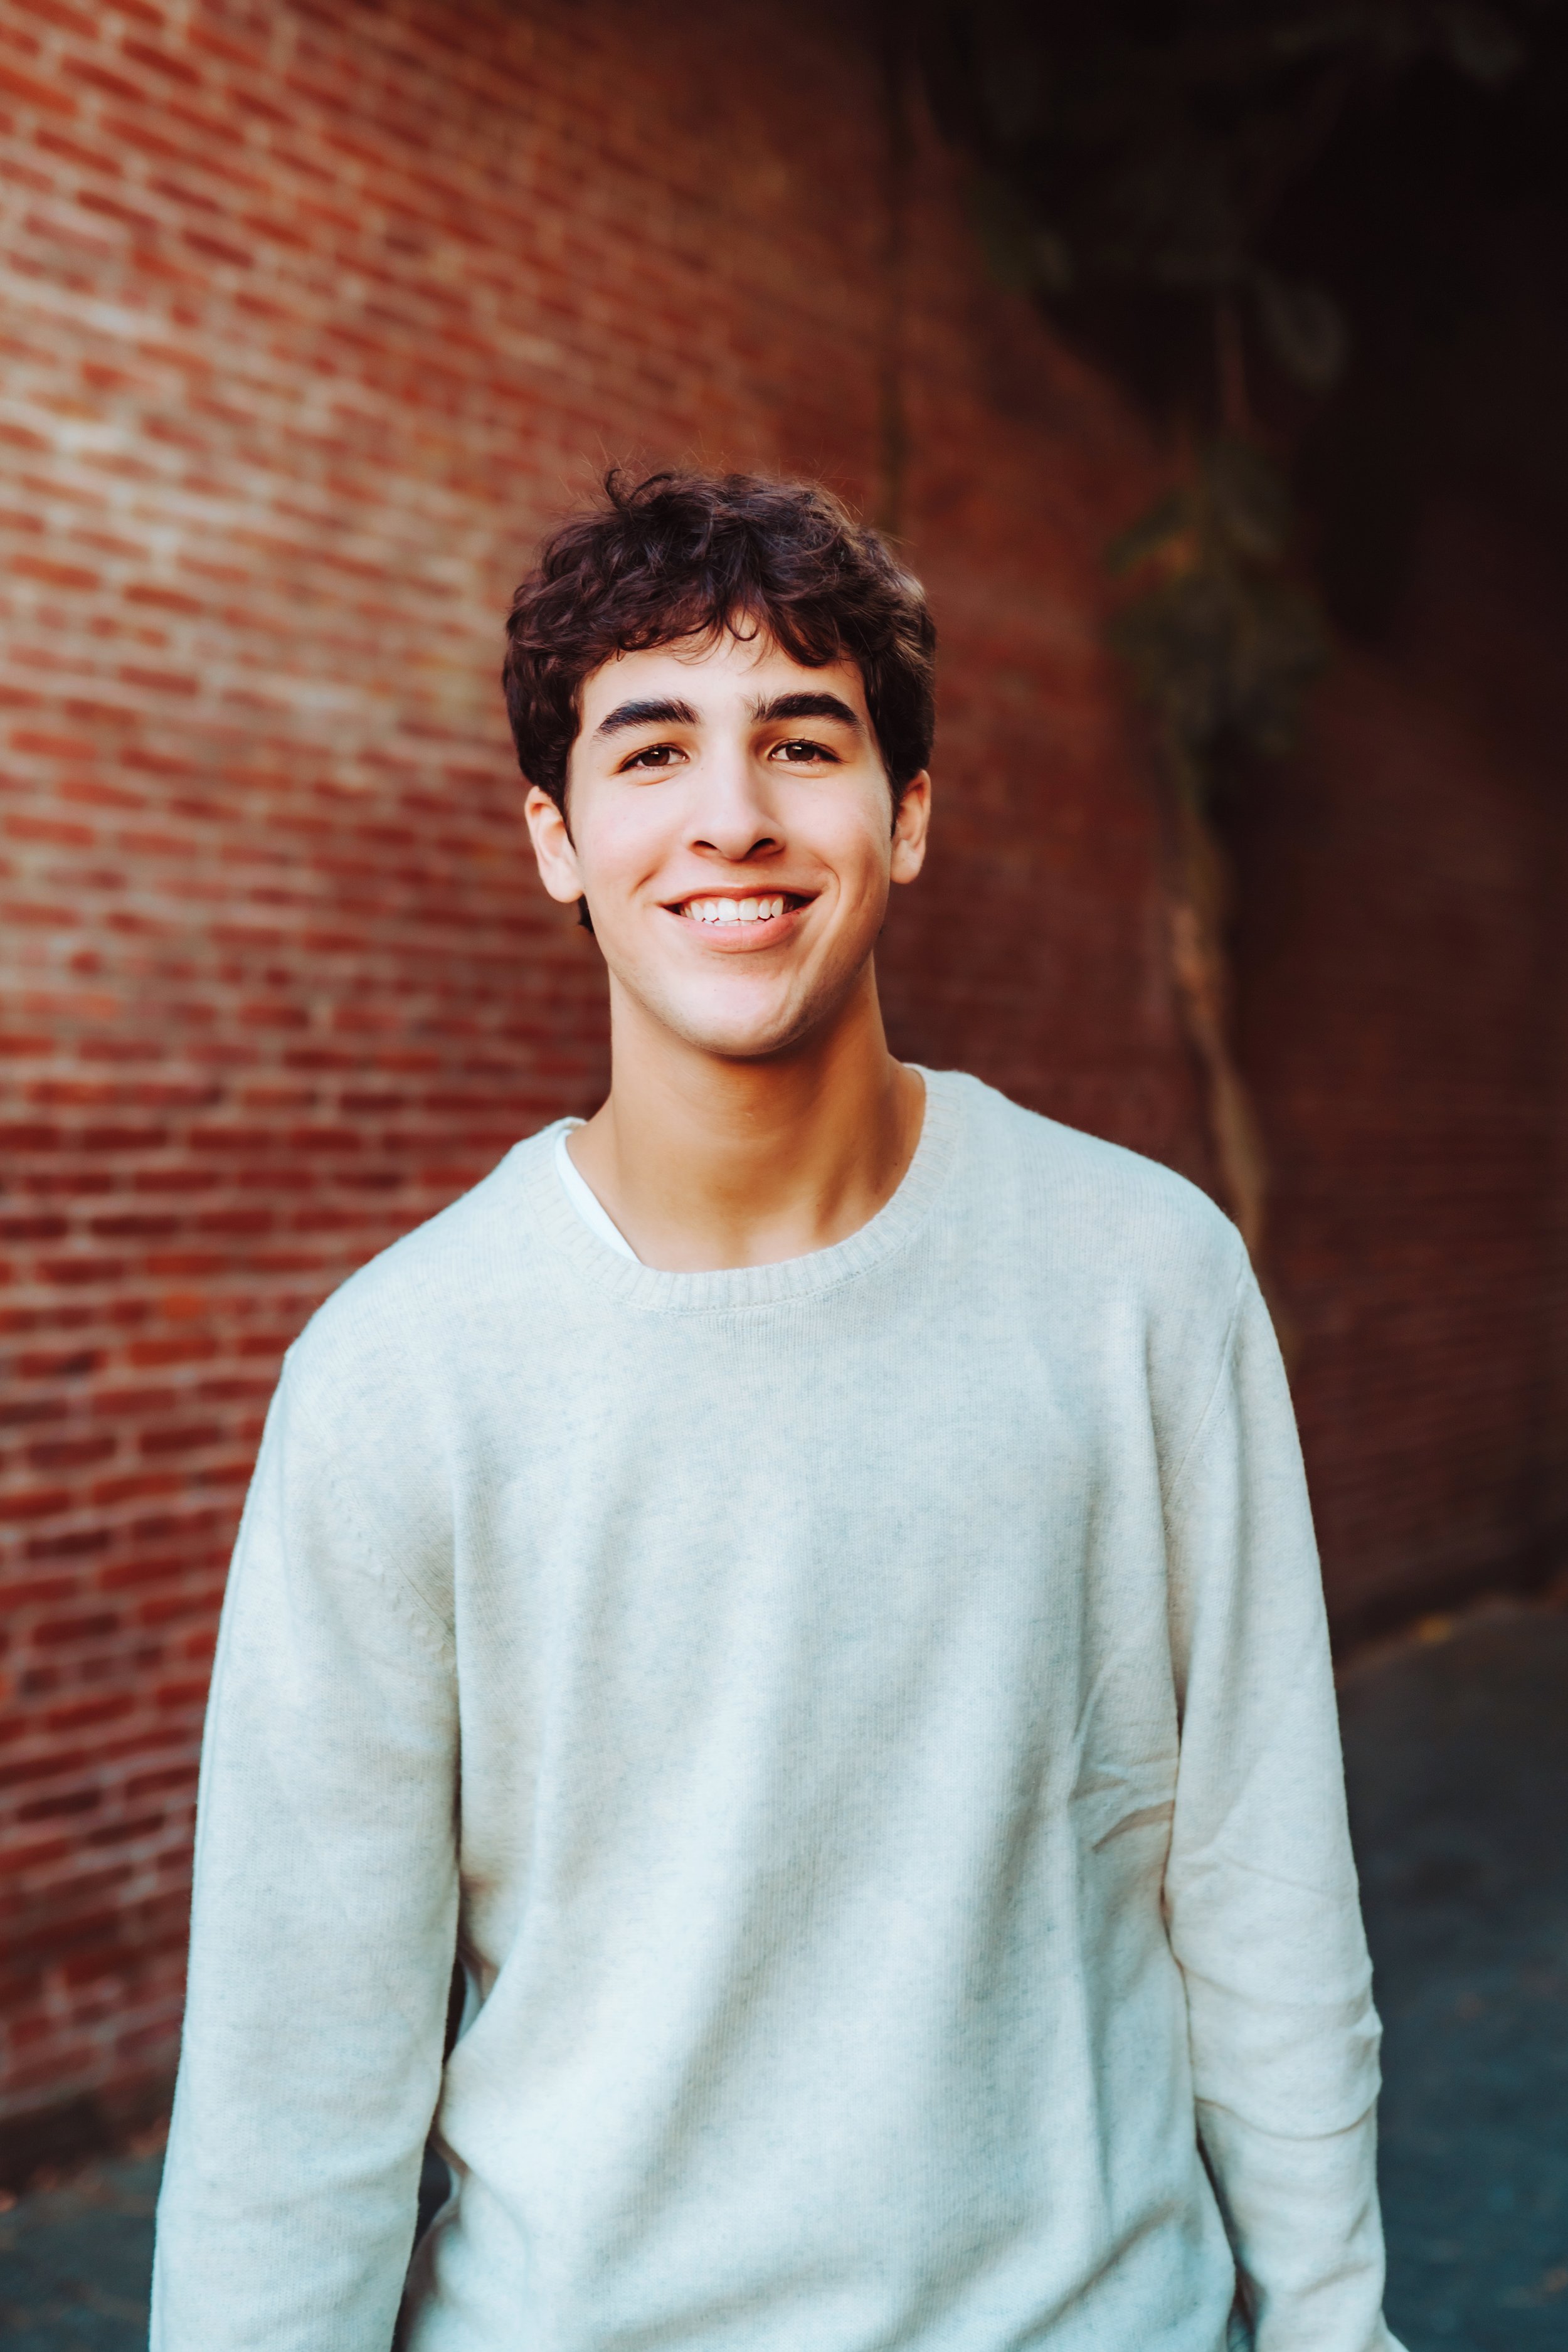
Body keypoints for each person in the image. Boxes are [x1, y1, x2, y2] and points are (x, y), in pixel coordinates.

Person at [151, 469, 1402, 2352]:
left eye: (799, 742)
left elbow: (1259, 1891)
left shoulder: (1143, 1280)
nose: (727, 817)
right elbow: (294, 2073)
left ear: (906, 816)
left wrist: (1331, 2324)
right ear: (554, 838)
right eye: (646, 753)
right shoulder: (397, 1378)